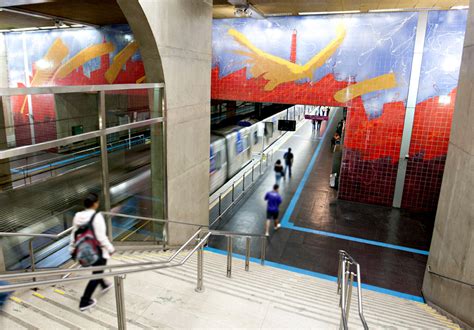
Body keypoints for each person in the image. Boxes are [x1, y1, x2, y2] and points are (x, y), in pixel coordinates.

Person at [70, 193, 115, 311]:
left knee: (98, 270)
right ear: (95, 204)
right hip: (97, 250)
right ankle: (84, 301)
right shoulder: (97, 216)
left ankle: (104, 284)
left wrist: (72, 248)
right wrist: (110, 248)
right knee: (97, 274)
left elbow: (74, 233)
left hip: (85, 250)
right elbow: (101, 237)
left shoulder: (77, 216)